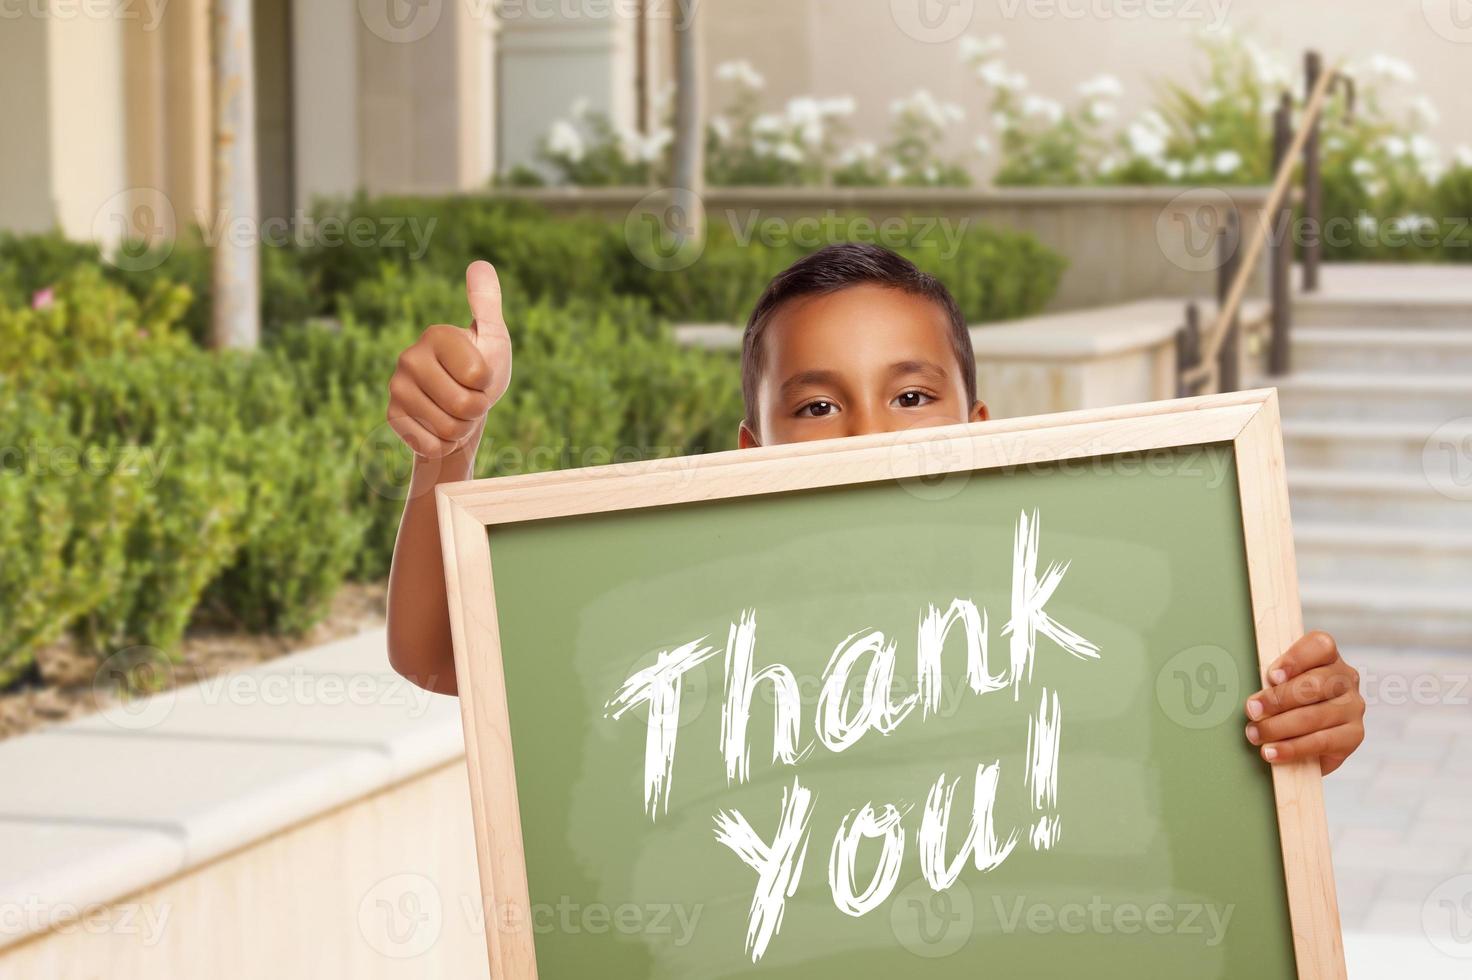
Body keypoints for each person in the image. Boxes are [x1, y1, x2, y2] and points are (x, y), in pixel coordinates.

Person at [383, 243, 1366, 775]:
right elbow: (436, 653)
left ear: (975, 425)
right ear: (749, 448)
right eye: (814, 405)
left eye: (908, 394)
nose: (865, 433)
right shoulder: (689, 617)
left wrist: (1300, 721)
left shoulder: (1083, 612)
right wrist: (446, 453)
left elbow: (1208, 744)